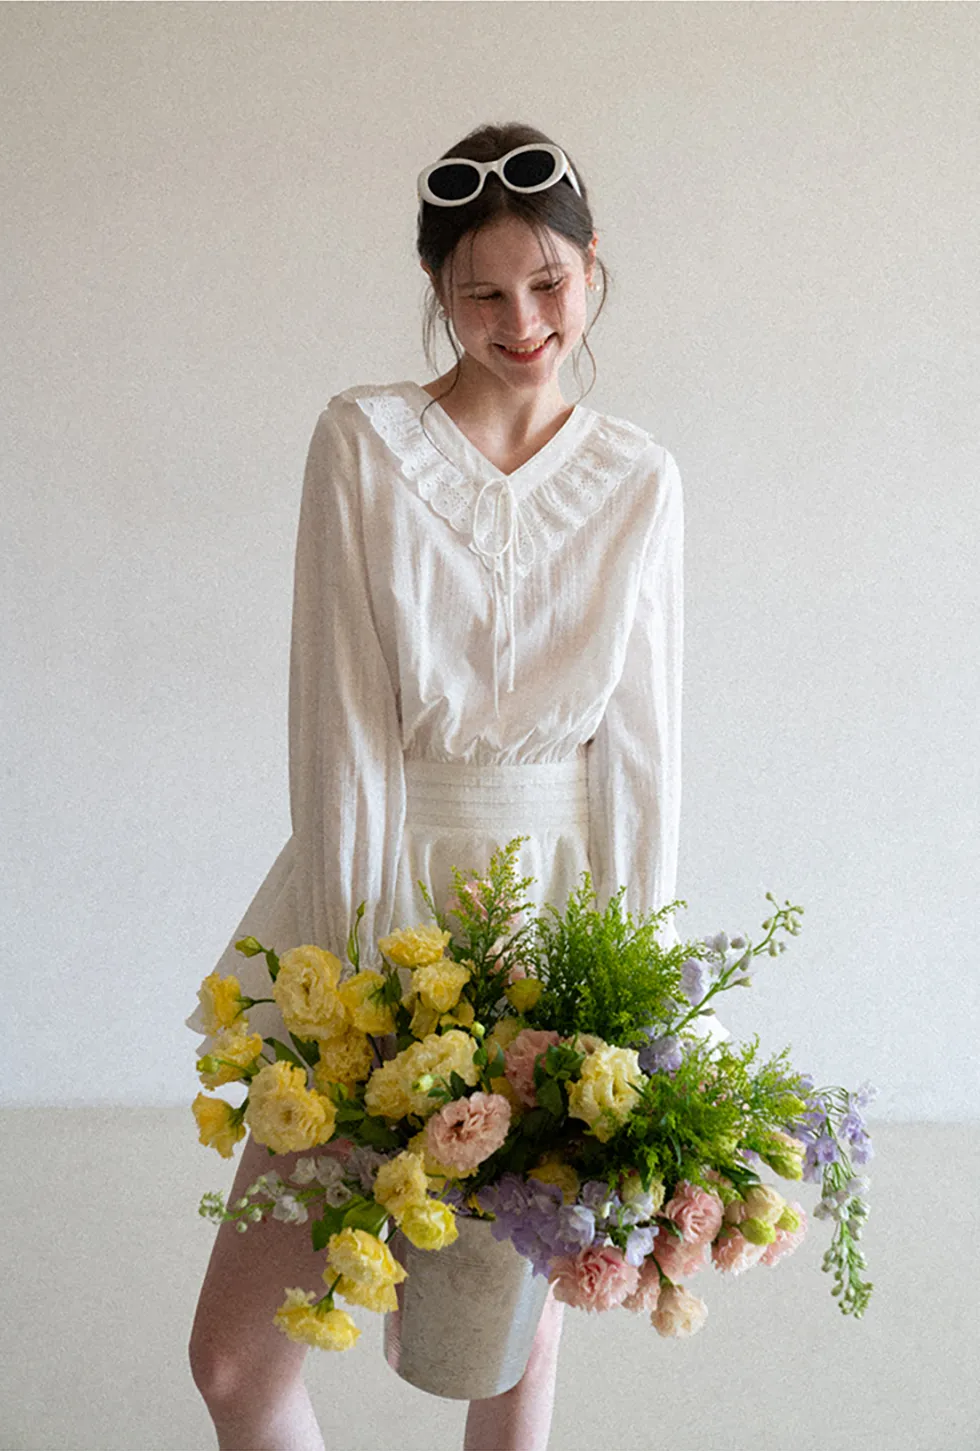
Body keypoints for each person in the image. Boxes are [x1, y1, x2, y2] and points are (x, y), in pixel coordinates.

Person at [188, 120, 684, 1451]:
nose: (521, 320)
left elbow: (637, 759)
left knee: (501, 1358)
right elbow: (338, 727)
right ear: (437, 294)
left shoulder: (640, 477)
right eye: (481, 292)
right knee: (239, 1360)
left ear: (592, 268)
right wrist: (363, 996)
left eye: (548, 283)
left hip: (556, 935)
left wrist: (628, 1010)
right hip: (375, 912)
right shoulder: (366, 443)